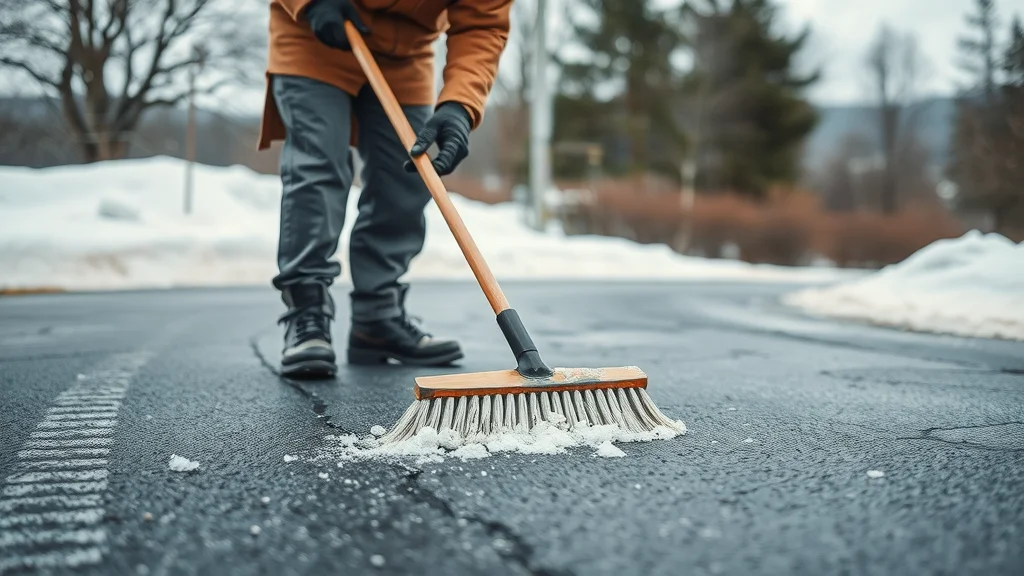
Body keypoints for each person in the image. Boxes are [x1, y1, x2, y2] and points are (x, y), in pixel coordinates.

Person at [257, 0, 512, 378]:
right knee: (319, 164)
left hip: (404, 54)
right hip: (316, 34)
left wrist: (460, 103)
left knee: (406, 175)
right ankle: (307, 312)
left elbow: (483, 25)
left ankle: (377, 319)